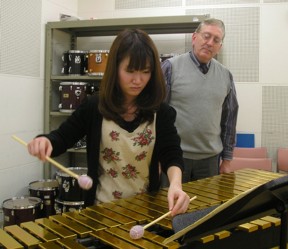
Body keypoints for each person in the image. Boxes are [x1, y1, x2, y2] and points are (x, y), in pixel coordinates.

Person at [27, 28, 190, 216]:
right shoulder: (94, 106)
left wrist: (176, 185)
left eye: (145, 71)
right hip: (100, 211)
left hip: (145, 211)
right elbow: (62, 138)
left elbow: (171, 154)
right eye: (130, 71)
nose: (138, 80)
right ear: (115, 68)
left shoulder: (160, 111)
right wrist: (45, 142)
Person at [161, 18, 239, 184]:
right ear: (194, 38)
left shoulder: (226, 75)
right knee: (171, 208)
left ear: (220, 47)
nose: (210, 43)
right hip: (174, 158)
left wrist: (227, 160)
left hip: (210, 161)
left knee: (207, 209)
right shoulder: (170, 67)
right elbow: (157, 115)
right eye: (206, 36)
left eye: (216, 40)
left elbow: (229, 120)